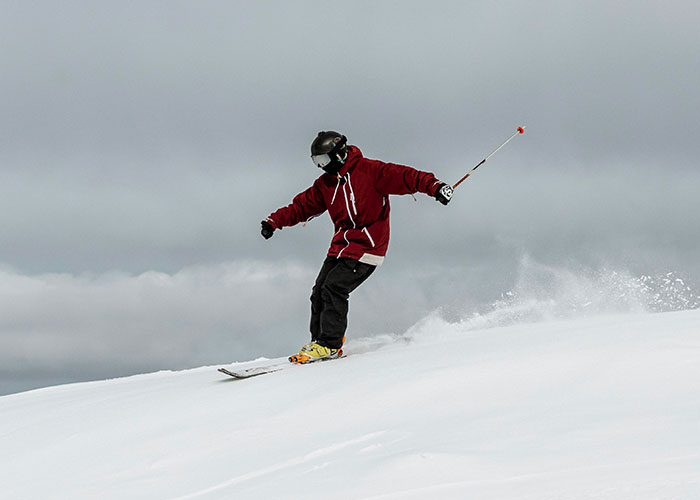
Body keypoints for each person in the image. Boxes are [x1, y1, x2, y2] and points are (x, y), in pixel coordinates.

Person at [261, 131, 452, 363]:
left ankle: (329, 344)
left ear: (339, 155)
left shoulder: (371, 171)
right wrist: (274, 221)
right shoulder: (326, 184)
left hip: (368, 246)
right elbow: (302, 206)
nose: (321, 167)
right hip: (341, 247)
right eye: (316, 162)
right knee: (319, 291)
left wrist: (435, 186)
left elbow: (406, 176)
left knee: (334, 287)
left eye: (323, 161)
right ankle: (319, 342)